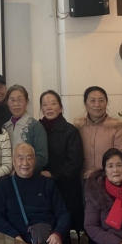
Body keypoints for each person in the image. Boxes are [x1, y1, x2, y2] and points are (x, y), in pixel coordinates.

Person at [0, 143, 70, 244]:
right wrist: (14, 237)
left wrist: (57, 234)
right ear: (13, 161)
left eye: (29, 158)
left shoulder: (46, 183)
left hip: (47, 243)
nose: (25, 163)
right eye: (20, 158)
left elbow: (63, 213)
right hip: (15, 243)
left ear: (35, 160)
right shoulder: (4, 186)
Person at [40, 91, 85, 232]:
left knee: (67, 226)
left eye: (53, 103)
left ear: (60, 108)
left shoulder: (70, 131)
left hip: (67, 188)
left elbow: (75, 162)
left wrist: (53, 174)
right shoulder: (38, 129)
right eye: (45, 104)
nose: (49, 107)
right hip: (44, 187)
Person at [74, 87, 122, 180]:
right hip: (82, 182)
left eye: (101, 100)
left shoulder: (116, 128)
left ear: (106, 103)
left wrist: (99, 173)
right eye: (92, 100)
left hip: (109, 181)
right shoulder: (78, 128)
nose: (97, 104)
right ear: (85, 103)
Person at [3, 85, 48, 170]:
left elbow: (42, 158)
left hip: (29, 174)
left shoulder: (35, 126)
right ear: (7, 103)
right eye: (12, 100)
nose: (16, 104)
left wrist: (22, 170)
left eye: (19, 100)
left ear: (26, 102)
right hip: (7, 174)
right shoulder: (4, 127)